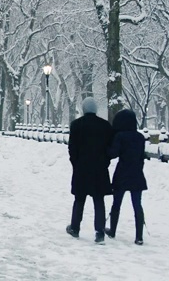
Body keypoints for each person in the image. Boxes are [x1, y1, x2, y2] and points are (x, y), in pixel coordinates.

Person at [66, 97, 114, 244]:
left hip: (81, 169)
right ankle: (99, 232)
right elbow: (109, 149)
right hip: (99, 170)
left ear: (84, 109)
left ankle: (75, 227)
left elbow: (72, 148)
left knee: (79, 199)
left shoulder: (76, 125)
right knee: (99, 201)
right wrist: (104, 162)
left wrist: (76, 163)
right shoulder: (105, 126)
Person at [105, 109, 147, 245]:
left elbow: (113, 153)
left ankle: (112, 230)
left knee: (116, 204)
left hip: (122, 173)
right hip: (137, 174)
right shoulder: (140, 137)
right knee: (137, 206)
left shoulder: (120, 136)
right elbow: (142, 158)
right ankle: (139, 237)